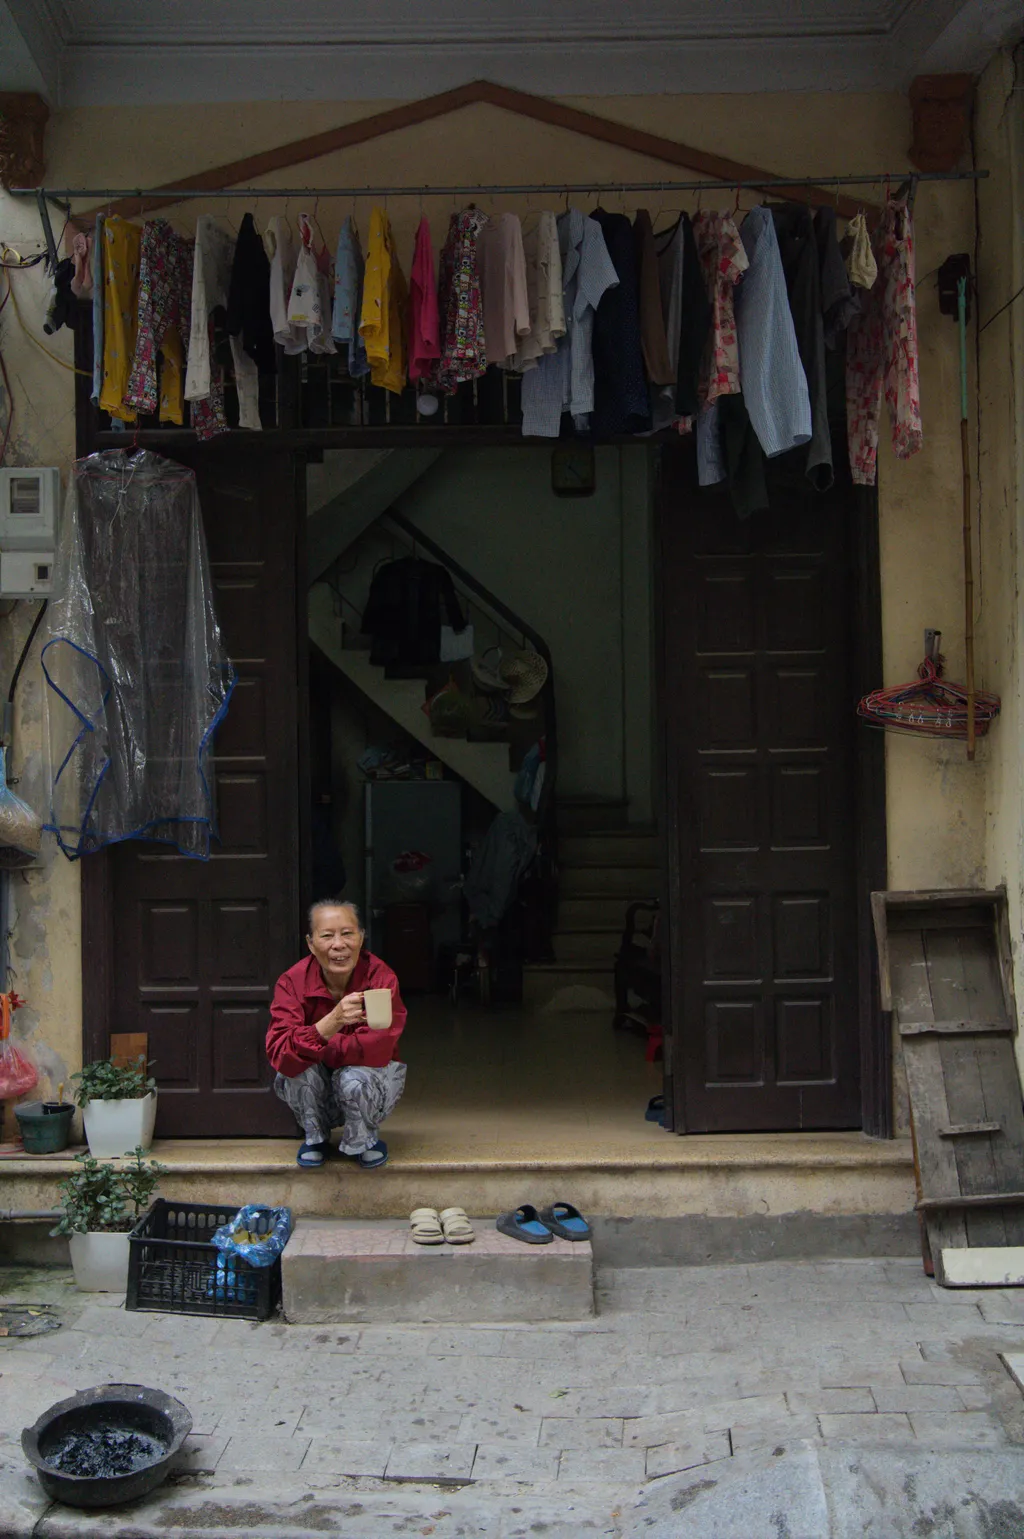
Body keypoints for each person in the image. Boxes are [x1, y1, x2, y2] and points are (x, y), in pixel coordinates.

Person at [266, 900, 407, 1169]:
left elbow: (379, 1049)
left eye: (347, 933)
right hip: (317, 1084)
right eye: (327, 935)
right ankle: (315, 1137)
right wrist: (331, 1023)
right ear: (310, 943)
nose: (339, 944)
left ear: (361, 937)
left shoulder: (380, 978)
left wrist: (316, 1045)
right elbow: (281, 1054)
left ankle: (363, 1139)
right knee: (298, 1069)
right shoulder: (291, 982)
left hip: (364, 1081)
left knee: (352, 1076)